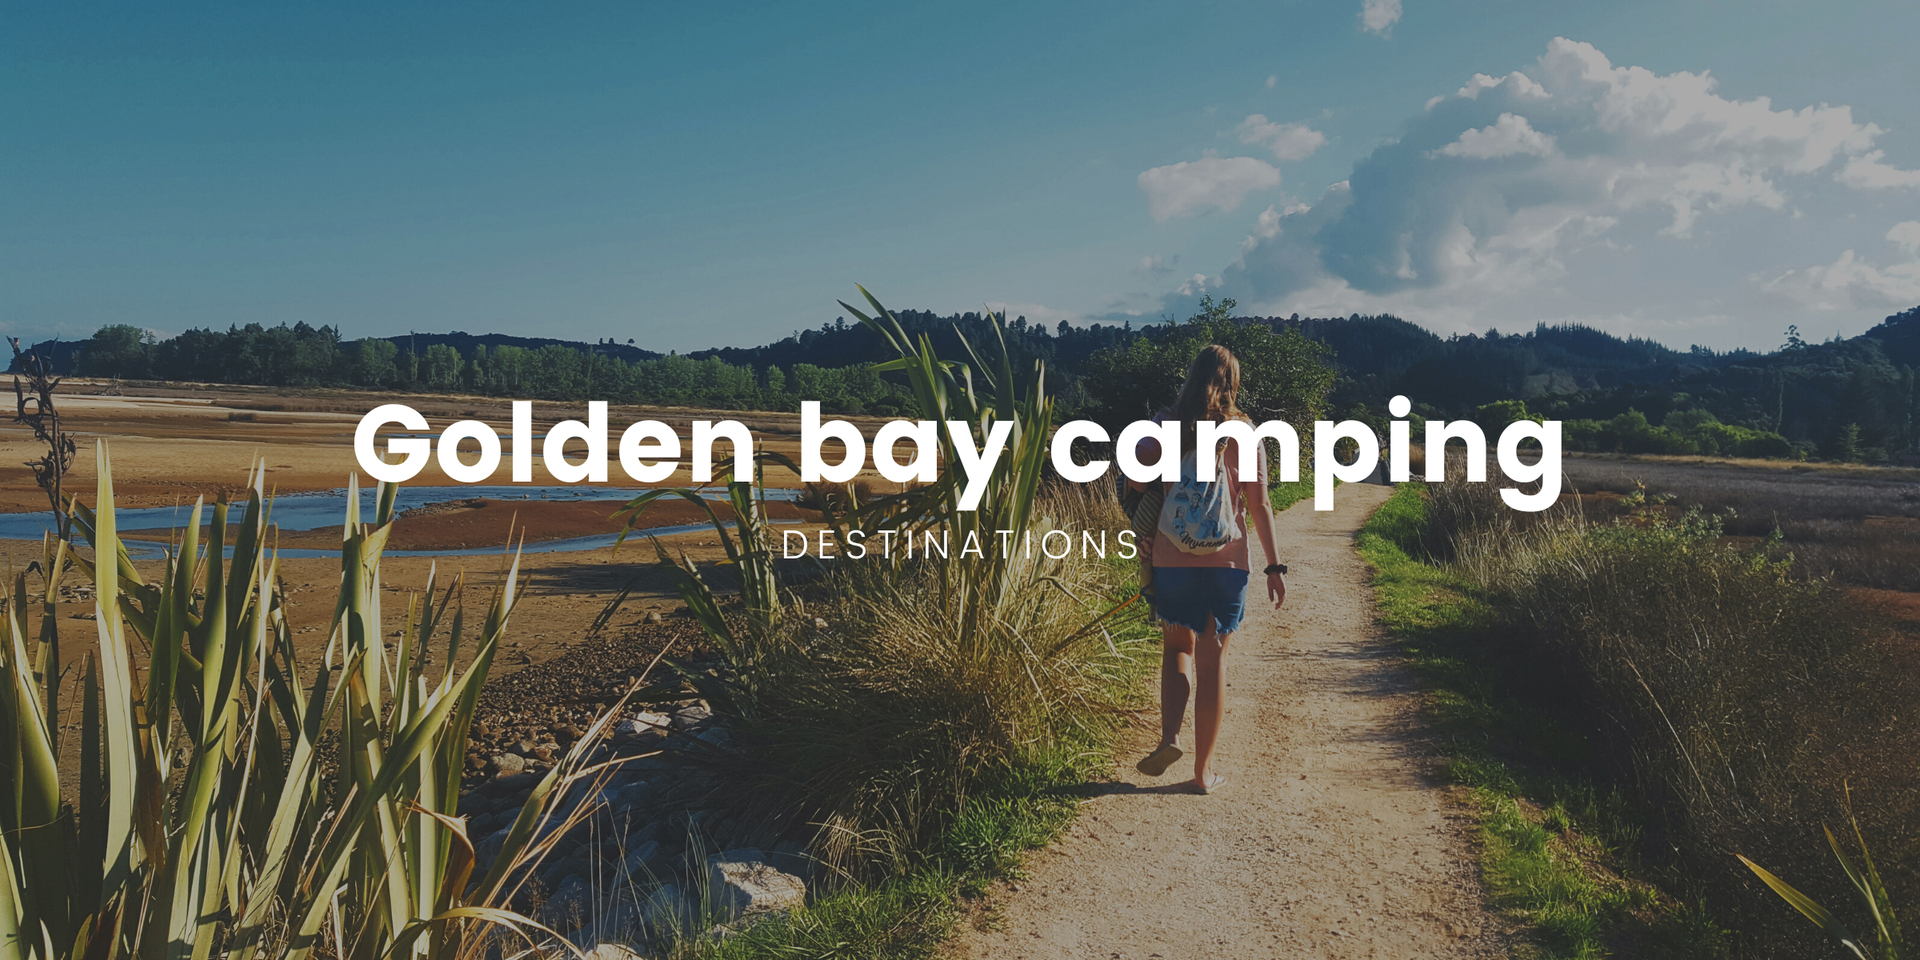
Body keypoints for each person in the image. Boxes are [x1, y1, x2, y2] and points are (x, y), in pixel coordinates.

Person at [1129, 345, 1287, 794]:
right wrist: (1274, 566)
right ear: (1232, 384)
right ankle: (1202, 772)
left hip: (1172, 557)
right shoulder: (1244, 433)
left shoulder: (1166, 424)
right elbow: (1259, 504)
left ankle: (1169, 738)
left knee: (1177, 649)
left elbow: (1137, 480)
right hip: (1227, 560)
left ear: (1192, 377)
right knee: (1213, 660)